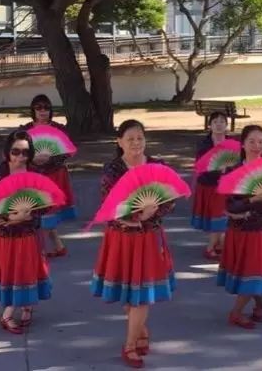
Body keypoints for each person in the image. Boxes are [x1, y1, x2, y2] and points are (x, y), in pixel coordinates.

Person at [90, 119, 176, 369]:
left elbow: (170, 198)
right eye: (130, 139)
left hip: (149, 238)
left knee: (140, 296)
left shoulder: (158, 166)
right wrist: (137, 216)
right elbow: (109, 205)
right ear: (119, 142)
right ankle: (140, 329)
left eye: (140, 138)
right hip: (122, 239)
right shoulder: (113, 170)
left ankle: (129, 344)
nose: (136, 143)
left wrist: (153, 213)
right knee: (129, 293)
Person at [0, 131, 52, 334]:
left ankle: (23, 307)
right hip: (3, 233)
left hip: (28, 232)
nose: (20, 157)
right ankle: (8, 314)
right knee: (10, 271)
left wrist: (30, 215)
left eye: (25, 152)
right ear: (7, 152)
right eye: (16, 151)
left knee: (26, 270)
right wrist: (10, 218)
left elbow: (46, 203)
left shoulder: (36, 174)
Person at [217, 125, 262, 330]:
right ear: (243, 144)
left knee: (256, 271)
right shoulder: (233, 172)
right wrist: (254, 199)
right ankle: (236, 313)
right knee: (251, 272)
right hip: (241, 231)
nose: (257, 146)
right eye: (252, 141)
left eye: (261, 141)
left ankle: (259, 304)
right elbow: (230, 205)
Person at [20, 94, 75, 258]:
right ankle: (57, 247)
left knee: (46, 213)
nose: (43, 110)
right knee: (40, 213)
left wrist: (49, 157)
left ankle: (40, 250)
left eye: (46, 107)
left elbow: (68, 151)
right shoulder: (25, 130)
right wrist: (31, 158)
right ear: (33, 110)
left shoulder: (59, 129)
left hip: (55, 175)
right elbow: (15, 149)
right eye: (38, 107)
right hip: (34, 177)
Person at [191, 111, 231, 260]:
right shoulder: (204, 145)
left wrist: (227, 170)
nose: (219, 124)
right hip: (209, 185)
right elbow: (200, 166)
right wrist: (216, 170)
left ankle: (217, 244)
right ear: (210, 125)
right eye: (215, 122)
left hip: (226, 186)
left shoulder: (232, 143)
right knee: (217, 216)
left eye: (222, 121)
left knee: (222, 216)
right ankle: (212, 246)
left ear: (226, 125)